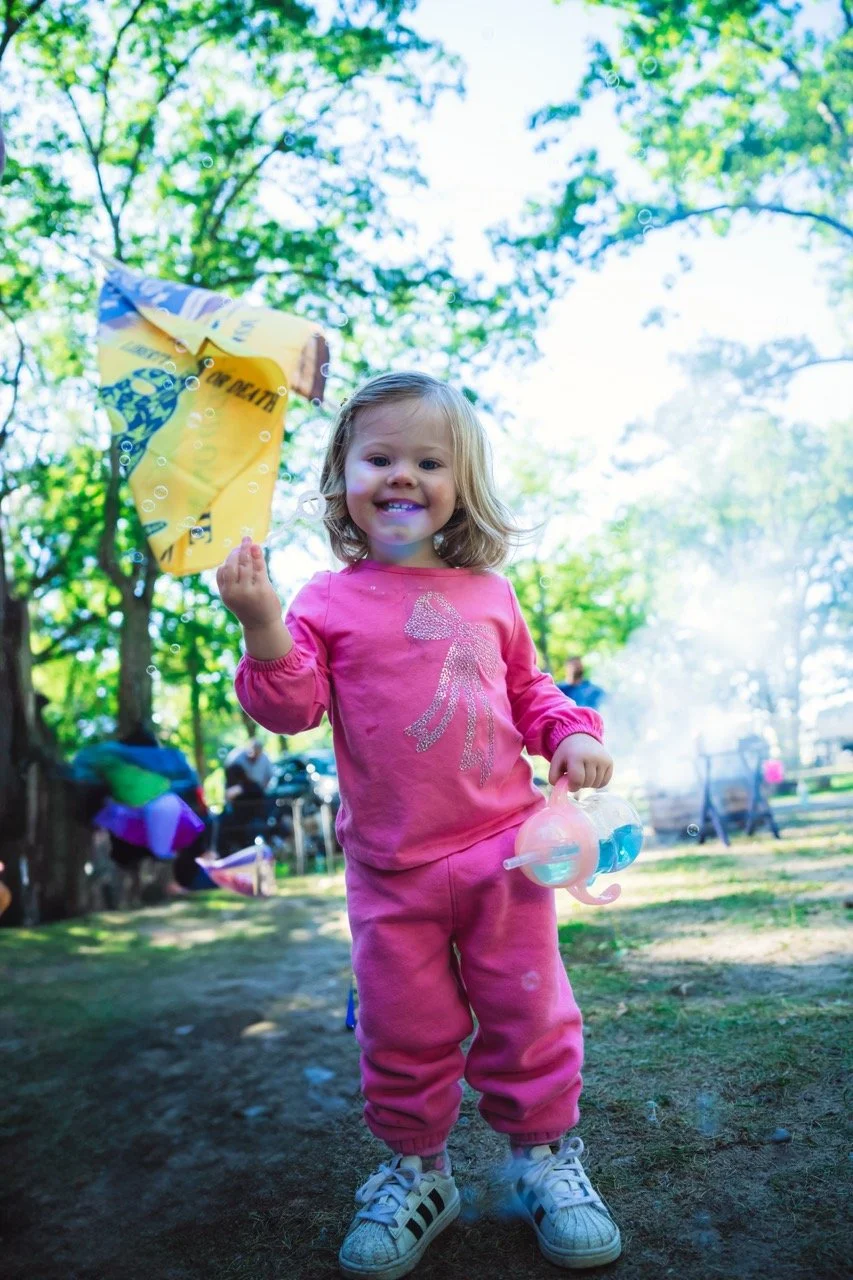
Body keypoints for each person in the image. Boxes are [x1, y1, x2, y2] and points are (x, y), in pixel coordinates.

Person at [216, 372, 622, 1277]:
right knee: (402, 1028)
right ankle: (416, 1172)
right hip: (390, 868)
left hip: (503, 855)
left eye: (428, 460)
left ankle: (542, 1161)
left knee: (529, 1012)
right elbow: (291, 709)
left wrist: (573, 732)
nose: (403, 475)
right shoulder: (321, 600)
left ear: (459, 484)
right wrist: (261, 625)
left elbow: (530, 689)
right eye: (380, 456)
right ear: (343, 476)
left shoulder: (487, 593)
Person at [224, 736, 273, 801]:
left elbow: (268, 776)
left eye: (257, 755)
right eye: (252, 754)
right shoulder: (235, 758)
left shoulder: (265, 759)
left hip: (257, 794)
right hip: (239, 795)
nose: (254, 758)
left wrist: (263, 789)